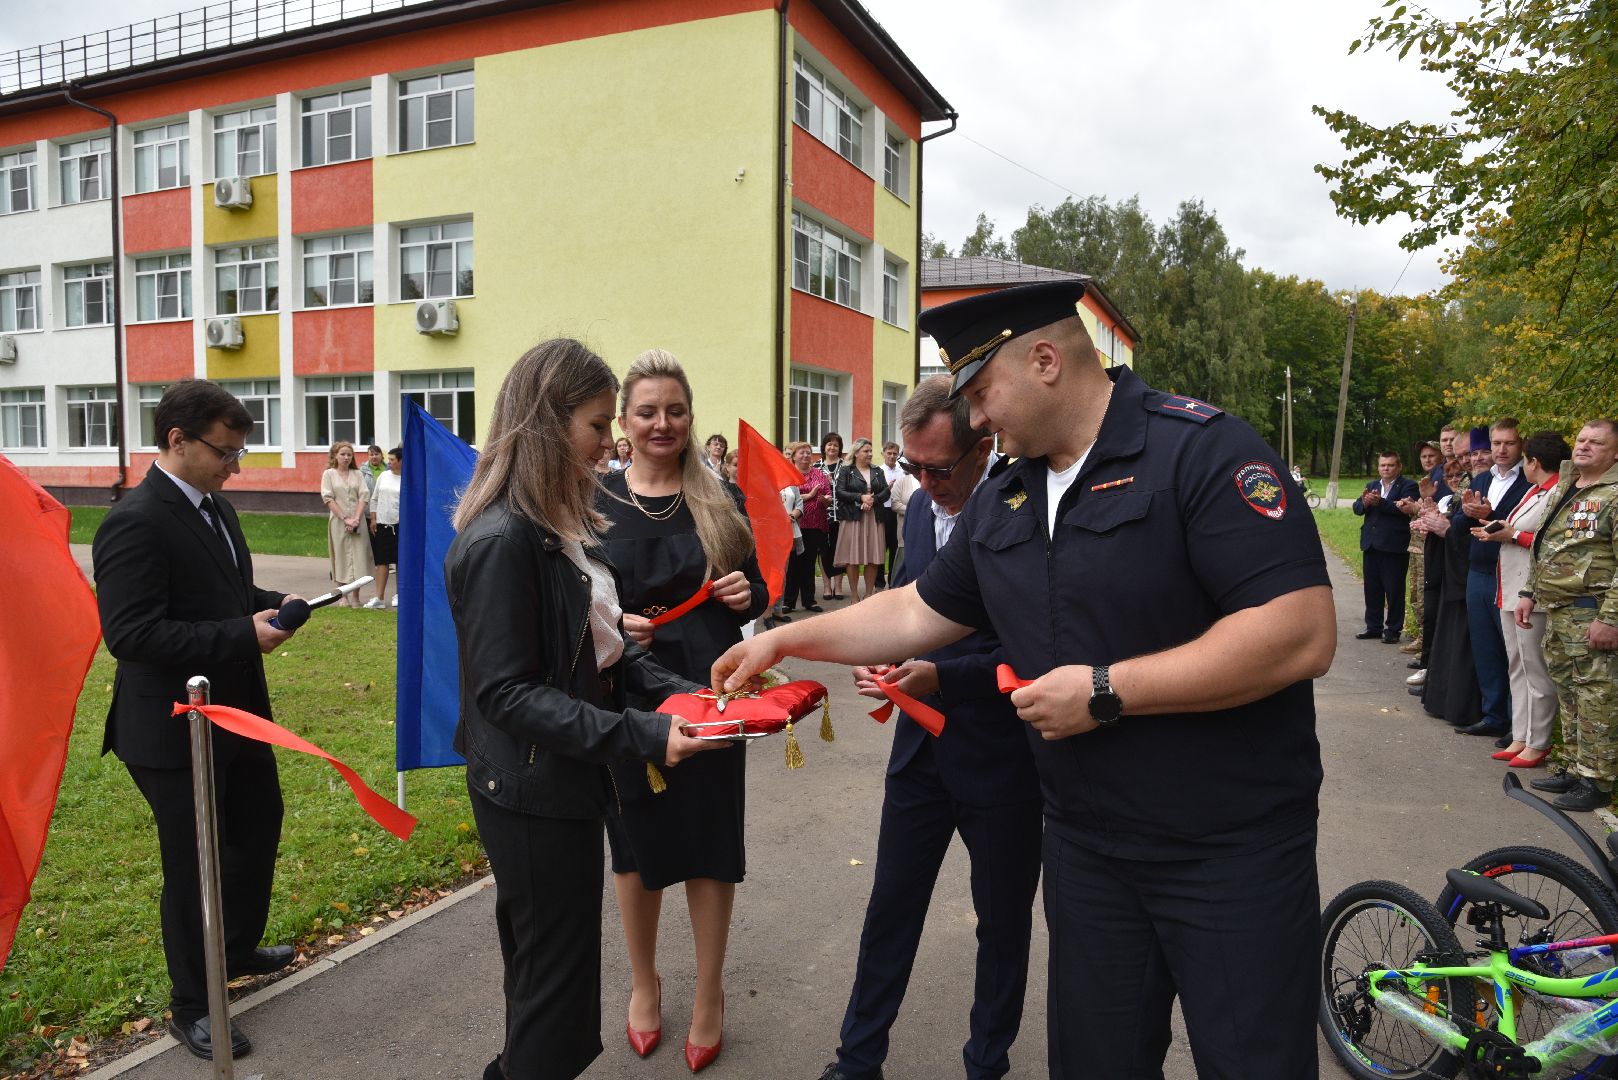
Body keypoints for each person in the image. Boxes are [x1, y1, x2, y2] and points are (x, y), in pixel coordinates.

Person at [713, 280, 1335, 1079]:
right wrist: (783, 641)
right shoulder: (1007, 495)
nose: (974, 419)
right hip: (1087, 850)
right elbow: (912, 611)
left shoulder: (1202, 451)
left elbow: (1299, 630)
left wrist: (1107, 690)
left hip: (1228, 851)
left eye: (981, 392)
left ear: (1045, 360)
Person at [444, 338, 718, 1080]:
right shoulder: (505, 538)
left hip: (554, 779)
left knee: (546, 979)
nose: (612, 443)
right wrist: (645, 735)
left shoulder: (546, 525)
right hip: (532, 791)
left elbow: (595, 651)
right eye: (600, 426)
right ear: (547, 422)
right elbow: (506, 694)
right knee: (554, 995)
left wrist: (679, 693)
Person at [820, 377, 1041, 1080]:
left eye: (939, 468)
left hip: (1000, 758)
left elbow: (1036, 650)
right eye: (912, 467)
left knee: (1001, 923)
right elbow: (906, 602)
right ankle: (857, 1061)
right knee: (891, 908)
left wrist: (942, 676)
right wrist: (879, 657)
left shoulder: (1025, 511)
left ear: (985, 444)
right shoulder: (917, 510)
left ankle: (987, 1062)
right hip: (919, 751)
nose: (923, 481)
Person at [91, 379, 301, 1061]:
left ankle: (234, 950)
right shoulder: (135, 520)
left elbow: (229, 591)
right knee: (195, 864)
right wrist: (243, 633)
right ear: (177, 440)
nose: (234, 467)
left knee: (257, 824)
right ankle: (194, 1003)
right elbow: (132, 635)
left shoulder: (216, 508)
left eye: (240, 454)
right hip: (170, 730)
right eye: (225, 453)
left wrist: (277, 602)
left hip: (235, 714)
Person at [594, 349, 769, 1074]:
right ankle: (643, 982)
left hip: (712, 683)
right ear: (624, 424)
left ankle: (708, 993)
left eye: (675, 410)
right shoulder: (594, 500)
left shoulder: (719, 496)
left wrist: (744, 595)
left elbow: (758, 591)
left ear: (690, 416)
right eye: (647, 411)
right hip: (624, 692)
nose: (663, 422)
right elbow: (576, 600)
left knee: (710, 837)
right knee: (633, 845)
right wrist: (610, 621)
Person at [1518, 419, 1618, 811]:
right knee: (1570, 693)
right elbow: (1546, 543)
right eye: (1581, 439)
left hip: (1590, 612)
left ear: (1614, 453)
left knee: (1598, 696)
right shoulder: (1567, 484)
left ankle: (1598, 780)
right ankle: (1576, 769)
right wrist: (1528, 592)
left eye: (1597, 442)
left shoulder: (1612, 494)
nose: (1585, 446)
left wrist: (1610, 618)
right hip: (1557, 613)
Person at [1473, 431, 1568, 767]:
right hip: (1511, 589)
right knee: (1517, 666)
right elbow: (1518, 529)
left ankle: (1539, 741)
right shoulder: (1535, 490)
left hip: (1532, 594)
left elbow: (1549, 542)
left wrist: (1509, 534)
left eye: (1525, 459)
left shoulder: (1558, 492)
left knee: (1535, 670)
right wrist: (1494, 528)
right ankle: (1521, 736)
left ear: (1534, 462)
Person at [1455, 419, 1530, 738]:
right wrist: (1469, 514)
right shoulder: (1481, 479)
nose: (1500, 450)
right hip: (1479, 570)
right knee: (1485, 645)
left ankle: (1518, 723)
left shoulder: (1529, 481)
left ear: (1520, 445)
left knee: (1513, 650)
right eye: (1496, 443)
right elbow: (1460, 525)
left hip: (1512, 572)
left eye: (1508, 443)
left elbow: (1523, 526)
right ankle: (1493, 713)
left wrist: (1486, 515)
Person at [1418, 430, 1489, 728]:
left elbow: (1466, 524)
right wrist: (1434, 516)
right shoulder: (1475, 480)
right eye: (1464, 456)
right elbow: (1458, 518)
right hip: (1457, 567)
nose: (1470, 461)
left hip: (1475, 568)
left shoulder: (1485, 481)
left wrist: (1446, 528)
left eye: (1471, 454)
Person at [1352, 452, 1419, 643]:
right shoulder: (1372, 486)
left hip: (1394, 545)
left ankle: (1393, 629)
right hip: (1371, 544)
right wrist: (1365, 503)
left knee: (1394, 589)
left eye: (1390, 465)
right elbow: (1357, 508)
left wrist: (1380, 503)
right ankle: (1373, 626)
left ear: (1398, 467)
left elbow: (1403, 511)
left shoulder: (1408, 486)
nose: (1386, 469)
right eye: (1382, 465)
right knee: (1372, 588)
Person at [833, 438, 889, 603]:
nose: (870, 454)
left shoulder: (878, 470)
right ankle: (855, 595)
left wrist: (872, 500)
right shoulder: (846, 470)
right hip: (853, 518)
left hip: (874, 518)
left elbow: (886, 492)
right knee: (853, 558)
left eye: (871, 451)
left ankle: (869, 594)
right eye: (866, 451)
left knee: (873, 556)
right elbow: (840, 492)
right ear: (856, 453)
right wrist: (860, 498)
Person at [321, 440, 371, 607]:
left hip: (358, 521)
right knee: (341, 556)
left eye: (349, 454)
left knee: (359, 557)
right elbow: (328, 498)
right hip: (338, 521)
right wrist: (345, 518)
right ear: (335, 455)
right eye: (342, 454)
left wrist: (356, 518)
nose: (346, 457)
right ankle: (343, 596)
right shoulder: (329, 474)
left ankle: (356, 596)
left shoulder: (358, 474)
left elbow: (364, 496)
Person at [786, 441, 829, 616]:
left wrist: (826, 499)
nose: (805, 455)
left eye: (808, 453)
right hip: (793, 524)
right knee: (793, 564)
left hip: (814, 525)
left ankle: (809, 600)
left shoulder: (819, 474)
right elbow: (785, 496)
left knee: (809, 564)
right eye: (802, 452)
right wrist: (810, 496)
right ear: (794, 456)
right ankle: (789, 602)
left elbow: (827, 492)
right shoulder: (788, 475)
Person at [365, 447, 402, 609]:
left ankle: (399, 594)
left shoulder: (407, 479)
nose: (389, 462)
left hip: (400, 526)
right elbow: (375, 499)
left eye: (393, 460)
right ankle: (379, 597)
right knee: (382, 561)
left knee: (400, 561)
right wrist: (374, 519)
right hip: (382, 524)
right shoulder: (384, 476)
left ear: (401, 461)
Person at [817, 433, 848, 600]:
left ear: (839, 449)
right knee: (823, 551)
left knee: (839, 550)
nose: (832, 448)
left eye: (836, 445)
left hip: (842, 516)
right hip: (821, 516)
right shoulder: (816, 466)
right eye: (829, 444)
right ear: (824, 447)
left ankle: (838, 586)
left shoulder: (846, 466)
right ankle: (827, 586)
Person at [874, 442, 903, 589]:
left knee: (895, 547)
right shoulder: (878, 471)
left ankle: (893, 581)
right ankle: (879, 582)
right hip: (882, 511)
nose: (892, 456)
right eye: (889, 453)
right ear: (883, 453)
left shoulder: (902, 472)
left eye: (895, 453)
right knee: (880, 547)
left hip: (897, 513)